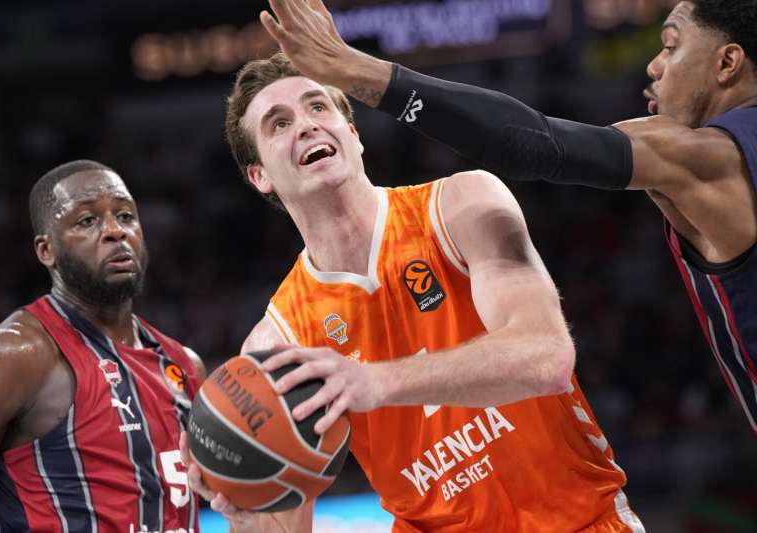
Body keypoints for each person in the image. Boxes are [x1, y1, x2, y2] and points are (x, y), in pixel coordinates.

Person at [185, 52, 644, 532]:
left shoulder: (462, 205)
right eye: (279, 124)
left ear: (353, 134)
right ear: (259, 175)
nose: (306, 126)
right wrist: (241, 506)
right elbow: (285, 527)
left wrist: (375, 382)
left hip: (582, 521)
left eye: (318, 107)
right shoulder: (277, 341)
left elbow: (546, 357)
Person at [258, 0, 757, 433]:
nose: (653, 65)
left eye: (670, 46)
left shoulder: (707, 157)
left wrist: (353, 71)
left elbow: (534, 142)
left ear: (728, 62)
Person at [0, 160, 205, 532]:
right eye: (87, 221)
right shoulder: (11, 357)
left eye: (125, 215)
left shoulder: (184, 364)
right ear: (46, 251)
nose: (114, 231)